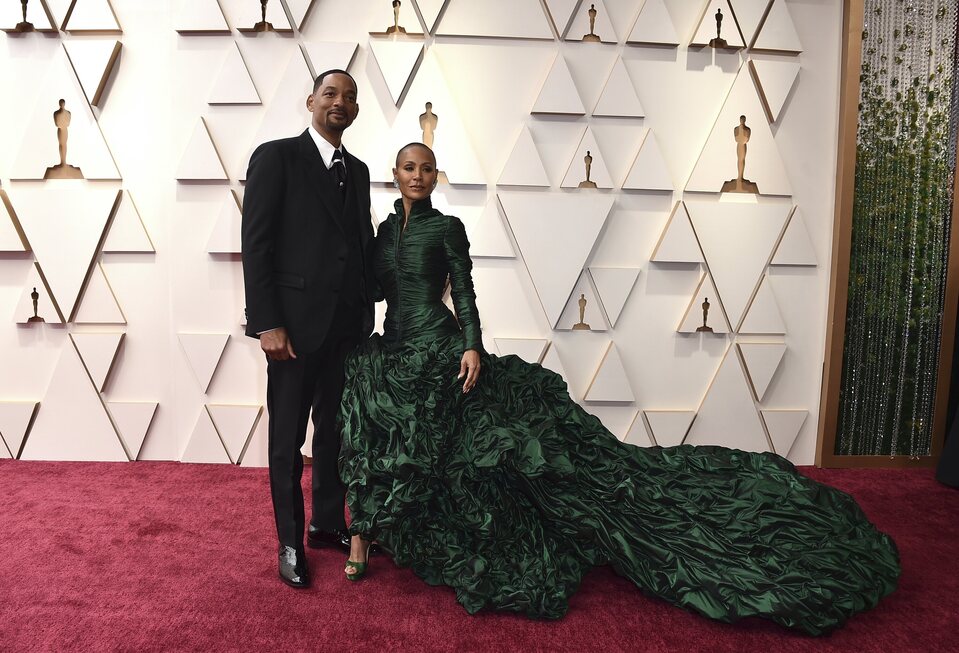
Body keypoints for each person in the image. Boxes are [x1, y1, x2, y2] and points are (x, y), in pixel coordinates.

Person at [337, 142, 900, 633]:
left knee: (502, 448)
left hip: (443, 348)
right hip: (395, 349)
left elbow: (463, 290)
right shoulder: (382, 236)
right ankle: (366, 536)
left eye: (427, 169)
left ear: (436, 177)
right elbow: (375, 292)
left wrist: (471, 346)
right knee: (374, 416)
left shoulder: (445, 227)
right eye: (409, 167)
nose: (418, 176)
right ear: (396, 174)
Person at [241, 69, 374, 589]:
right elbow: (257, 245)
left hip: (346, 328)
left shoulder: (358, 171)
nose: (340, 102)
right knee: (286, 439)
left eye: (350, 97)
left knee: (335, 433)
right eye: (330, 93)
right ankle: (290, 542)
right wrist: (267, 322)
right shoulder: (277, 157)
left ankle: (325, 523)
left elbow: (358, 244)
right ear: (310, 101)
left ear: (356, 110)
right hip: (291, 331)